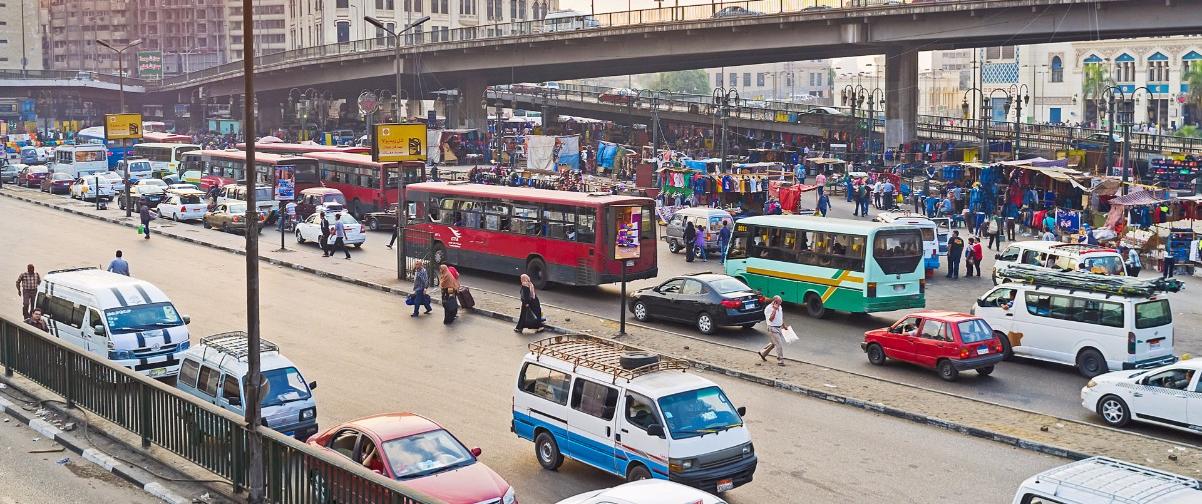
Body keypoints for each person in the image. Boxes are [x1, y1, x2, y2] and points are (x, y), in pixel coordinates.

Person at [757, 296, 787, 366]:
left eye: (780, 303)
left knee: (774, 343)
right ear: (774, 302)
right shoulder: (768, 309)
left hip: (779, 327)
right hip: (772, 328)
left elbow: (780, 317)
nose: (780, 305)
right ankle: (780, 360)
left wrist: (784, 325)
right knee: (779, 343)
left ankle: (763, 353)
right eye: (779, 303)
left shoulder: (779, 307)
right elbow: (770, 319)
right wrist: (774, 310)